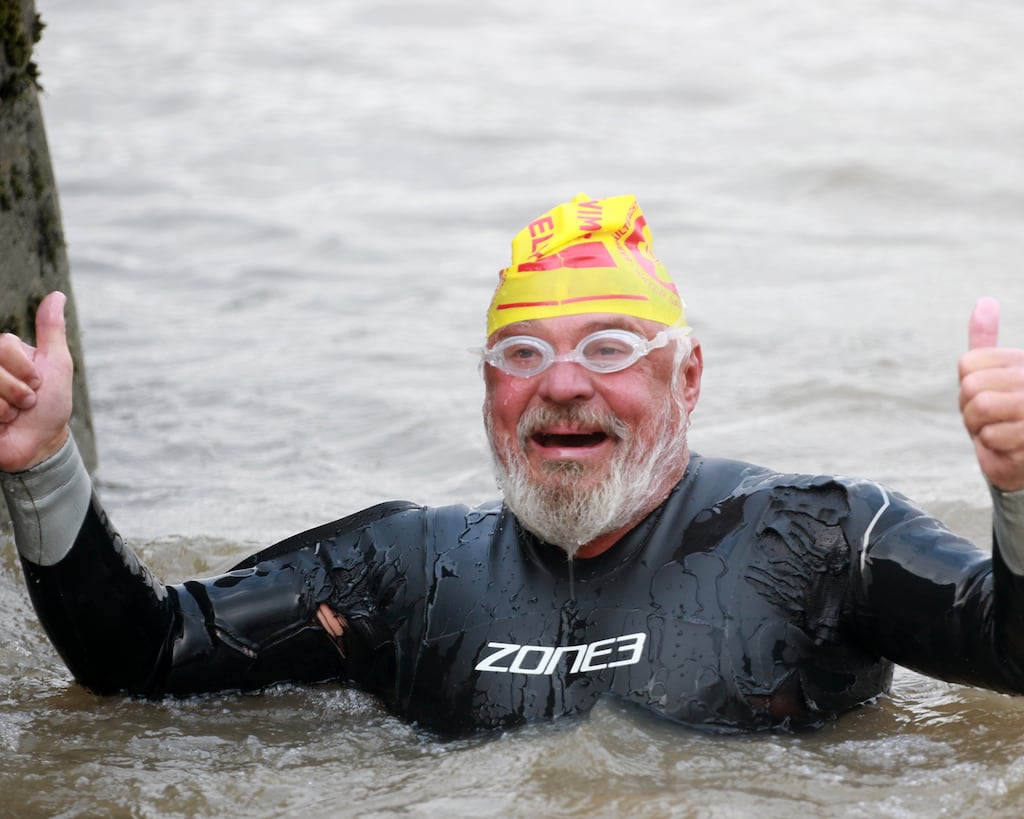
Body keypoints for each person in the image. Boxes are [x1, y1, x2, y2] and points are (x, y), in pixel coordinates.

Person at [2, 193, 1024, 737]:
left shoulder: (820, 535)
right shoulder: (400, 568)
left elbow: (1009, 651)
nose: (565, 384)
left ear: (689, 377)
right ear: (489, 390)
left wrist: (1016, 494)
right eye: (523, 355)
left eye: (612, 350)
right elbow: (142, 661)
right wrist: (47, 464)